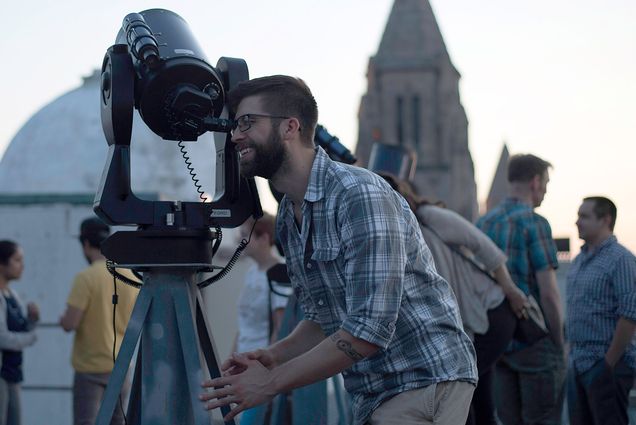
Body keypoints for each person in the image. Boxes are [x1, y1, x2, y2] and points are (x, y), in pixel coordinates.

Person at [200, 75, 477, 425]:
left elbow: (369, 329)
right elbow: (324, 317)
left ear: (290, 127)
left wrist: (270, 384)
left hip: (423, 378)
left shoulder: (360, 194)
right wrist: (273, 356)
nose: (236, 135)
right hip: (375, 390)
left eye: (247, 123)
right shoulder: (289, 213)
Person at [379, 173, 529, 425]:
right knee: (478, 397)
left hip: (491, 314)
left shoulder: (431, 218)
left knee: (456, 386)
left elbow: (486, 248)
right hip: (466, 325)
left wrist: (512, 291)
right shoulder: (396, 234)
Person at [477, 153, 565, 425]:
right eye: (546, 184)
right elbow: (549, 293)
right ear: (535, 182)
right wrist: (559, 343)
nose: (545, 191)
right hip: (534, 340)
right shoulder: (535, 223)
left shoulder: (484, 224)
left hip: (498, 341)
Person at [59, 218, 139, 425]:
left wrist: (63, 319)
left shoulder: (85, 278)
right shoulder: (128, 275)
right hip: (121, 366)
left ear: (86, 244)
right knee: (117, 421)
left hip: (90, 368)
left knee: (86, 421)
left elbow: (70, 323)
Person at [566, 196, 636, 425]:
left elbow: (630, 314)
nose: (577, 222)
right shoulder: (578, 261)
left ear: (606, 220)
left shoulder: (621, 259)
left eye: (584, 216)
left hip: (606, 365)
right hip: (578, 364)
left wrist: (608, 363)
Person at [232, 213, 289, 425]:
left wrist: (266, 371)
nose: (239, 242)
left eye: (245, 236)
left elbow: (280, 327)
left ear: (264, 238)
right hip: (245, 364)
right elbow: (243, 324)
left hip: (261, 368)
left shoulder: (280, 273)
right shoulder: (252, 272)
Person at [0, 241, 38, 425]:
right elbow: (3, 338)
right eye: (17, 260)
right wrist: (31, 338)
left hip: (12, 373)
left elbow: (21, 329)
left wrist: (32, 320)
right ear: (2, 264)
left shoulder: (12, 295)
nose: (22, 266)